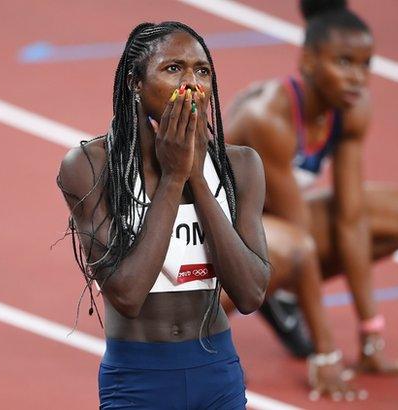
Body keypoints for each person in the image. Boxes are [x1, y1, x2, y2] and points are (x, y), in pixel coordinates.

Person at [222, 0, 398, 399]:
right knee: (290, 250)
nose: (357, 78)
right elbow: (302, 243)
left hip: (272, 230)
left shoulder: (351, 110)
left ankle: (275, 294)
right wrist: (325, 353)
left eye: (365, 64)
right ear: (307, 60)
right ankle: (199, 345)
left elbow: (351, 218)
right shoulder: (267, 118)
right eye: (343, 63)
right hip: (212, 238)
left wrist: (370, 334)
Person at [57, 21, 270, 409]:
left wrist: (198, 179)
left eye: (201, 71)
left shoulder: (240, 165)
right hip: (139, 379)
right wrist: (173, 178)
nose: (191, 84)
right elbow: (127, 293)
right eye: (173, 68)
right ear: (134, 83)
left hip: (216, 372)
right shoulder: (91, 167)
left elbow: (251, 293)